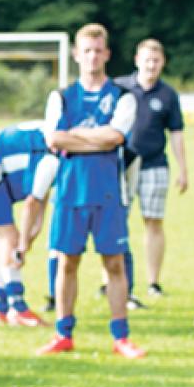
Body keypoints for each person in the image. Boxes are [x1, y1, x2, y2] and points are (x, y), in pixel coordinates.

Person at [36, 23, 147, 359]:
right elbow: (53, 138)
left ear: (107, 54)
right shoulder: (61, 97)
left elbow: (116, 137)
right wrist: (97, 138)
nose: (92, 56)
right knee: (67, 262)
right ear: (76, 55)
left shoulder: (122, 96)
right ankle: (63, 333)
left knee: (114, 264)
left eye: (98, 50)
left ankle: (121, 337)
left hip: (107, 194)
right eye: (86, 50)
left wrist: (77, 138)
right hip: (70, 192)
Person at [114, 39, 188, 298]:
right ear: (137, 60)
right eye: (147, 59)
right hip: (121, 164)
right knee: (115, 221)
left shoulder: (168, 94)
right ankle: (111, 279)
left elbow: (177, 133)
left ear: (162, 63)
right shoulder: (120, 87)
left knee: (153, 222)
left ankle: (153, 282)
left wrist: (183, 169)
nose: (151, 65)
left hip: (154, 164)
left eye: (156, 60)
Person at [0, 121, 57, 327]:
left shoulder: (54, 145)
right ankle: (18, 309)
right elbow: (31, 203)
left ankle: (0, 309)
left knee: (1, 241)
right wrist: (22, 243)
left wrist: (31, 237)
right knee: (9, 238)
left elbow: (40, 199)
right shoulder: (52, 156)